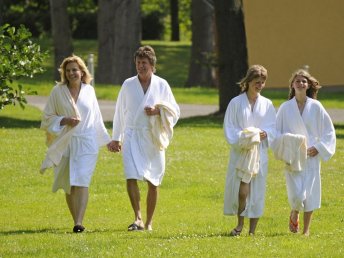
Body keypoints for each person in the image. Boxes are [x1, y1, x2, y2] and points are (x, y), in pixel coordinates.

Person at [108, 46, 180, 231]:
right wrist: (116, 138)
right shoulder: (128, 84)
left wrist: (158, 111)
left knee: (153, 180)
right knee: (131, 175)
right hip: (132, 135)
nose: (141, 66)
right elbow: (119, 112)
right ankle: (138, 217)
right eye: (138, 63)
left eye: (144, 63)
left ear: (152, 65)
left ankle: (149, 222)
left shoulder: (162, 85)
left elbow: (175, 111)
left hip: (153, 137)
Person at [40, 55, 112, 233]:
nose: (72, 73)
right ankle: (76, 221)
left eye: (75, 69)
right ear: (64, 73)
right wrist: (64, 120)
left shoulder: (89, 91)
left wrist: (108, 141)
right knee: (69, 183)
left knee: (82, 180)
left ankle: (79, 222)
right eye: (68, 70)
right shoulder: (57, 91)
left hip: (87, 142)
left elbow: (97, 119)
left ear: (82, 71)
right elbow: (47, 117)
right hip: (66, 142)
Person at [273, 69, 336, 236]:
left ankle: (306, 230)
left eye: (304, 81)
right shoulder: (285, 108)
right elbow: (276, 132)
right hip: (293, 157)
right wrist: (289, 144)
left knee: (310, 194)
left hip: (312, 156)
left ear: (308, 85)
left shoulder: (316, 107)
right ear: (292, 85)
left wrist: (319, 147)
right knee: (296, 193)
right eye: (298, 81)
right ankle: (294, 210)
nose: (301, 83)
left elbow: (328, 131)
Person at [223, 65, 276, 236]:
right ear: (248, 82)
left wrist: (264, 133)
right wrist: (246, 136)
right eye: (256, 82)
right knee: (241, 191)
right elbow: (229, 127)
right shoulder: (236, 103)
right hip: (242, 151)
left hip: (259, 152)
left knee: (258, 190)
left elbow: (273, 128)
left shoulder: (267, 104)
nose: (259, 85)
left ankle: (252, 230)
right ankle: (239, 224)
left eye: (262, 82)